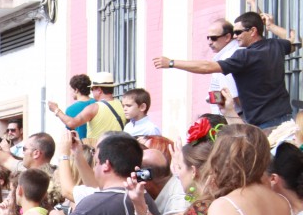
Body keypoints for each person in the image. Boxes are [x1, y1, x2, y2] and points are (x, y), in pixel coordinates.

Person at [153, 11, 297, 130]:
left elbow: (207, 67)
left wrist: (171, 63)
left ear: (253, 31)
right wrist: (271, 27)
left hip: (262, 123)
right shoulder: (275, 45)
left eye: (238, 32)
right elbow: (296, 42)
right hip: (285, 118)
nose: (235, 36)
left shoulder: (243, 55)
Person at [49, 72, 126, 144]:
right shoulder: (122, 104)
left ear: (99, 90)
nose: (91, 92)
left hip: (100, 150)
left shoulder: (94, 107)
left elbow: (71, 123)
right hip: (118, 149)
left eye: (92, 89)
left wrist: (56, 110)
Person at [203, 18, 242, 115]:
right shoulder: (226, 54)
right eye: (208, 38)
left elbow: (234, 95)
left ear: (227, 37)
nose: (209, 42)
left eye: (214, 38)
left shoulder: (228, 57)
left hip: (236, 116)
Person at [54, 74, 94, 141]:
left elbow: (70, 134)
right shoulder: (98, 103)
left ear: (76, 90)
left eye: (71, 89)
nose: (70, 92)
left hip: (81, 145)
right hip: (99, 143)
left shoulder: (71, 110)